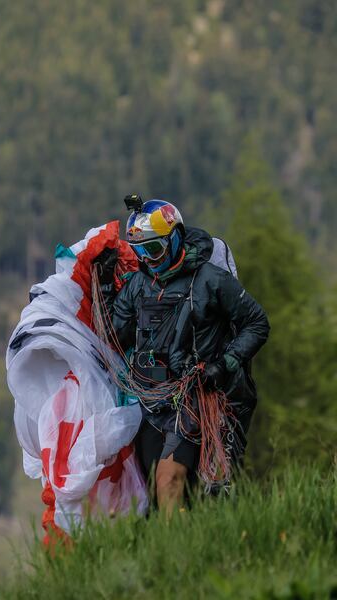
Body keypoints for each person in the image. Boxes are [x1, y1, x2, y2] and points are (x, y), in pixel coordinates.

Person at [95, 195, 270, 514]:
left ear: (175, 237)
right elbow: (112, 336)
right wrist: (107, 287)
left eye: (154, 249)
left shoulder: (211, 280)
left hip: (196, 398)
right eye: (140, 252)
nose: (148, 260)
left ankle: (176, 558)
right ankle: (182, 546)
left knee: (169, 479)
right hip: (151, 404)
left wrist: (225, 364)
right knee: (155, 489)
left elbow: (256, 323)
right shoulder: (138, 285)